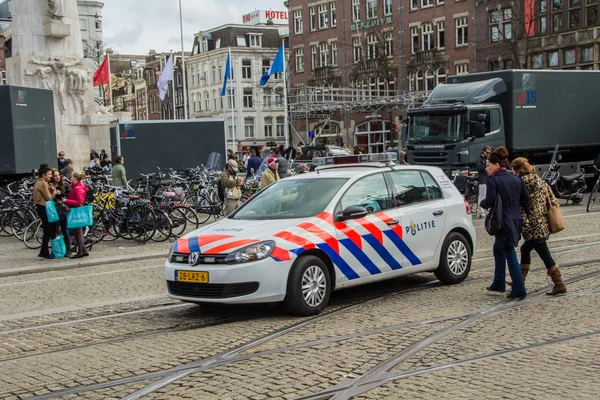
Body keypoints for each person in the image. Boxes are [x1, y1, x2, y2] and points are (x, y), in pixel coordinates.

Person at [511, 157, 566, 295]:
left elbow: (519, 203)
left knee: (545, 255)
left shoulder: (521, 182)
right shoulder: (539, 179)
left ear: (518, 170)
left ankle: (559, 284)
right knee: (526, 249)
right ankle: (520, 280)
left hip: (532, 224)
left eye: (513, 169)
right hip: (541, 223)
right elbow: (552, 199)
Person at [480, 147, 530, 300]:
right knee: (498, 248)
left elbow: (489, 201)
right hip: (515, 218)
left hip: (502, 220)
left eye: (488, 165)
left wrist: (482, 203)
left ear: (496, 165)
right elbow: (526, 199)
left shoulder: (493, 180)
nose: (486, 168)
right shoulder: (516, 179)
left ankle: (519, 288)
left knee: (509, 253)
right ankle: (499, 281)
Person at [32, 164, 57, 260]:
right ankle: (45, 253)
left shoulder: (38, 182)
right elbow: (48, 198)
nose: (50, 176)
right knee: (48, 230)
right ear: (43, 175)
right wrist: (53, 193)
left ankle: (43, 251)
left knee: (47, 229)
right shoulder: (43, 183)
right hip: (44, 207)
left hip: (40, 207)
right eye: (49, 174)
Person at [65, 172, 90, 259]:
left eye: (71, 177)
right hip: (75, 211)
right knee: (76, 232)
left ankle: (80, 252)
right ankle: (84, 250)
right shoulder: (76, 187)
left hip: (76, 212)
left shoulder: (78, 188)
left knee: (78, 232)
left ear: (75, 178)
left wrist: (66, 201)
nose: (70, 178)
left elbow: (79, 202)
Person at [50, 168, 71, 257]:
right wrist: (53, 193)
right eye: (55, 176)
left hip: (62, 210)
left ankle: (68, 249)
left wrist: (61, 193)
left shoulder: (64, 184)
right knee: (53, 231)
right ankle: (55, 250)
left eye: (58, 175)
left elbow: (68, 194)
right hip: (53, 210)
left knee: (64, 229)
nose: (57, 177)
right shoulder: (50, 186)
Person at [476, 146, 492, 219]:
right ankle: (480, 212)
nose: (488, 154)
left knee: (489, 195)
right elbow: (479, 168)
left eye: (489, 153)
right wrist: (486, 164)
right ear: (483, 151)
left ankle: (488, 211)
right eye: (487, 152)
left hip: (489, 179)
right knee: (482, 195)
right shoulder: (480, 159)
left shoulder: (488, 159)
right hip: (483, 180)